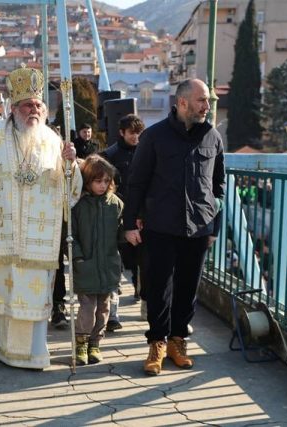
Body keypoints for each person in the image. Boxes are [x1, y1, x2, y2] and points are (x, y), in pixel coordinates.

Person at [0, 66, 81, 369]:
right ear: (13, 108)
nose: (34, 110)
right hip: (2, 232)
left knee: (31, 295)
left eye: (38, 105)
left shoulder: (53, 140)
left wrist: (72, 163)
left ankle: (31, 353)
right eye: (27, 105)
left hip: (38, 238)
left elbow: (70, 188)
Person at [123, 79, 225, 376]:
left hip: (199, 228)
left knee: (188, 288)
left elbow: (219, 186)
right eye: (202, 100)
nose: (207, 106)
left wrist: (214, 226)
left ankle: (177, 342)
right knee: (159, 289)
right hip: (160, 227)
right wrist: (130, 223)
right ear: (182, 102)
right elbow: (136, 182)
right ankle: (157, 343)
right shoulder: (154, 136)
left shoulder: (213, 137)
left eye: (207, 101)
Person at [71, 155, 123, 365]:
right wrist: (77, 257)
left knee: (104, 309)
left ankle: (95, 342)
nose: (102, 185)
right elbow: (70, 235)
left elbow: (121, 232)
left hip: (108, 266)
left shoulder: (115, 204)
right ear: (87, 181)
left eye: (106, 181)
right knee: (87, 309)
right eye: (97, 181)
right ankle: (81, 342)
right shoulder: (78, 205)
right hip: (86, 266)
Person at [101, 114, 146, 329]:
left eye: (138, 133)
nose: (136, 137)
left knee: (144, 261)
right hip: (116, 216)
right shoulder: (109, 156)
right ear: (122, 132)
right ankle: (112, 313)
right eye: (132, 133)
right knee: (114, 263)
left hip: (141, 216)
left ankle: (145, 300)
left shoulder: (147, 151)